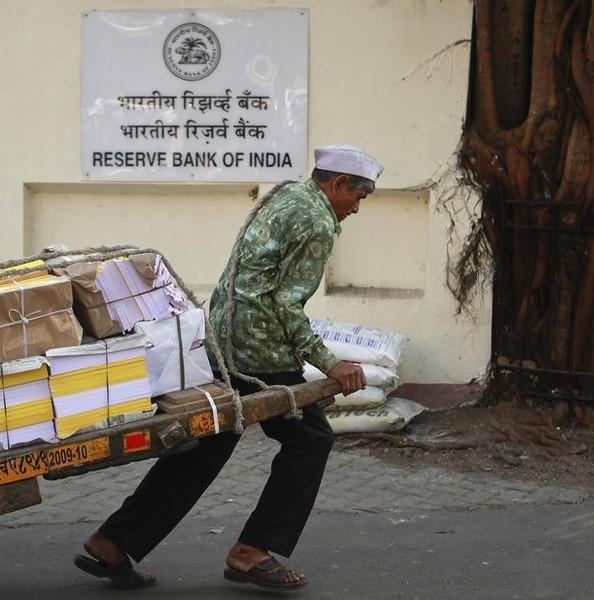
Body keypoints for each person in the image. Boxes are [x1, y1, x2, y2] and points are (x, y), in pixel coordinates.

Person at [73, 144, 383, 591]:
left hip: (223, 335)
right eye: (358, 197)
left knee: (210, 441)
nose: (356, 208)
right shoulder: (316, 220)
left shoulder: (285, 196)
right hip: (261, 349)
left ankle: (114, 541)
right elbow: (285, 302)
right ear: (336, 184)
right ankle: (251, 551)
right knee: (311, 439)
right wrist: (330, 361)